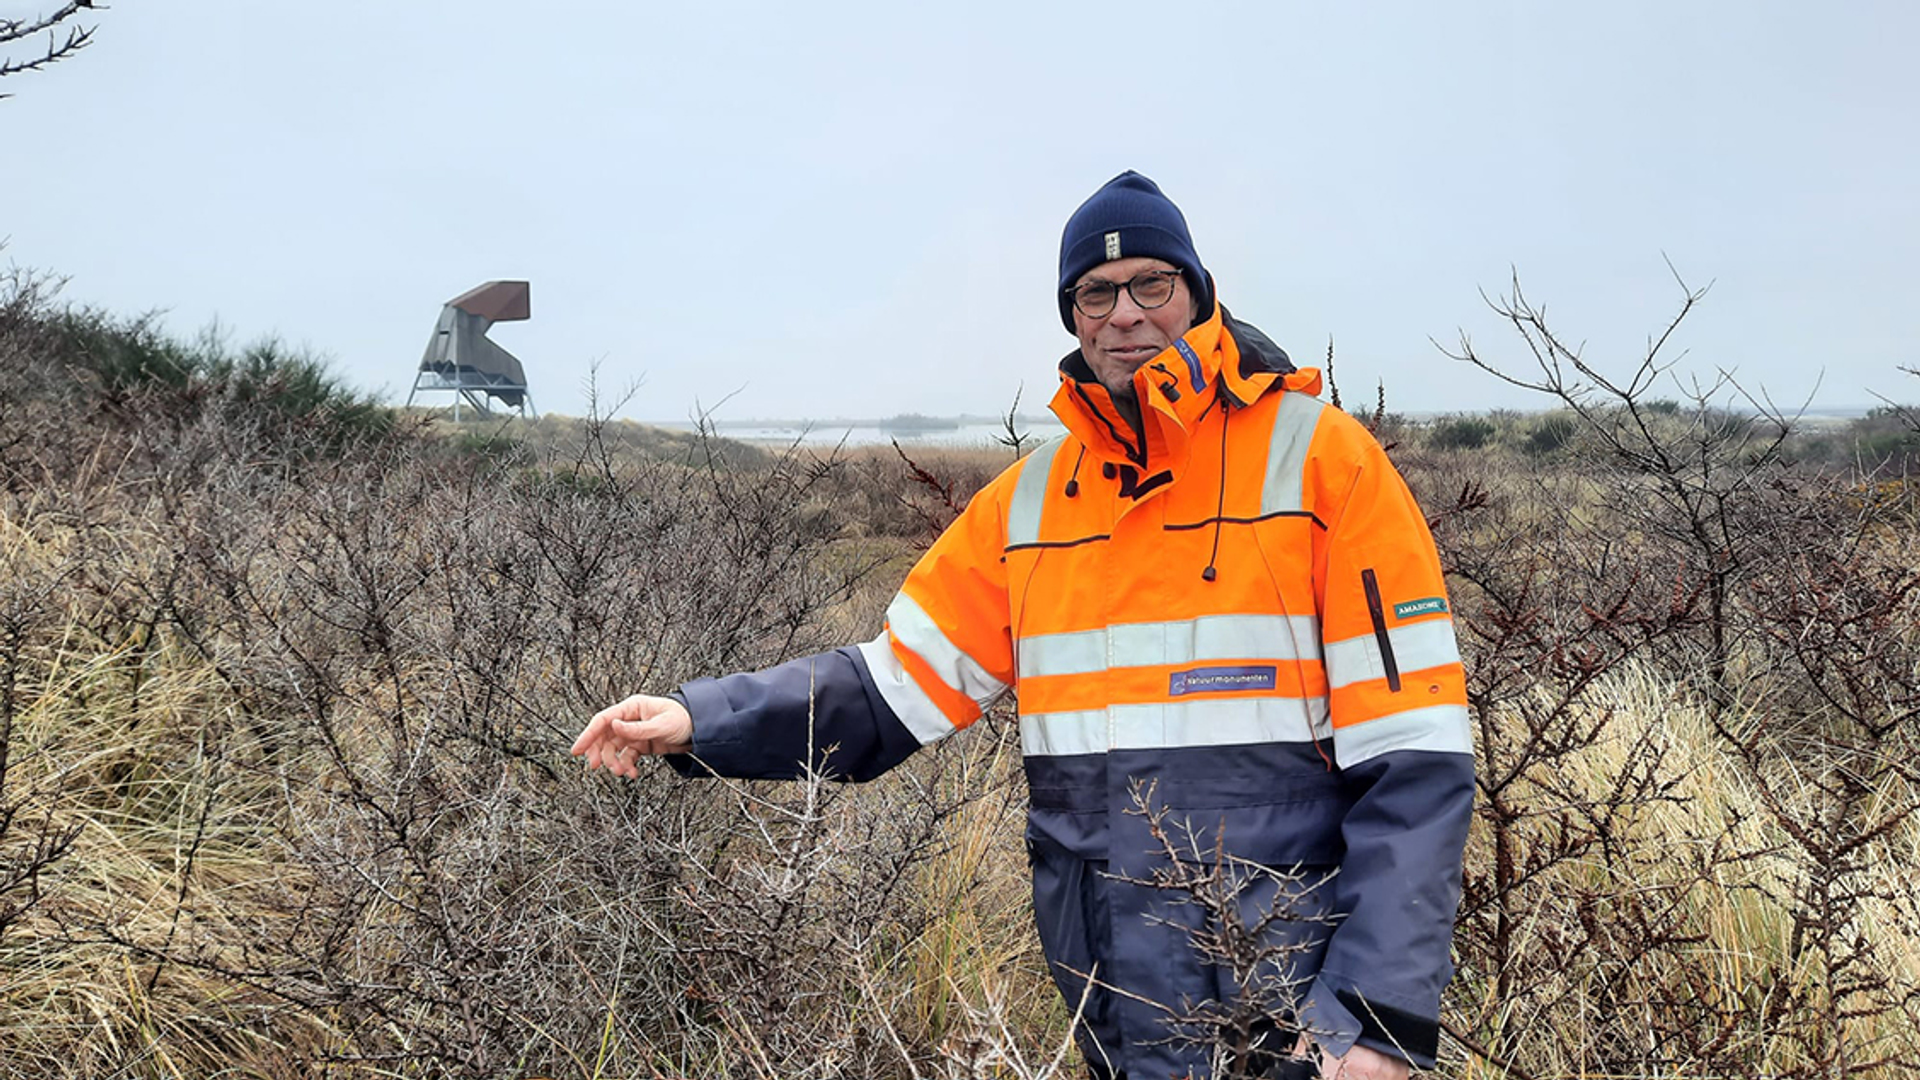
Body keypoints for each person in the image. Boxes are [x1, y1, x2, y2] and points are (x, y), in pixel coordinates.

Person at [572, 171, 1474, 1080]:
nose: (1124, 314)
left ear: (1198, 296)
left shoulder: (1325, 463)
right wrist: (701, 721)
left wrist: (1377, 1021)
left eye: (1151, 285)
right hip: (1114, 999)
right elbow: (891, 688)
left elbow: (1416, 764)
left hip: (1295, 1009)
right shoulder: (1031, 503)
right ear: (1073, 316)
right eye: (1095, 293)